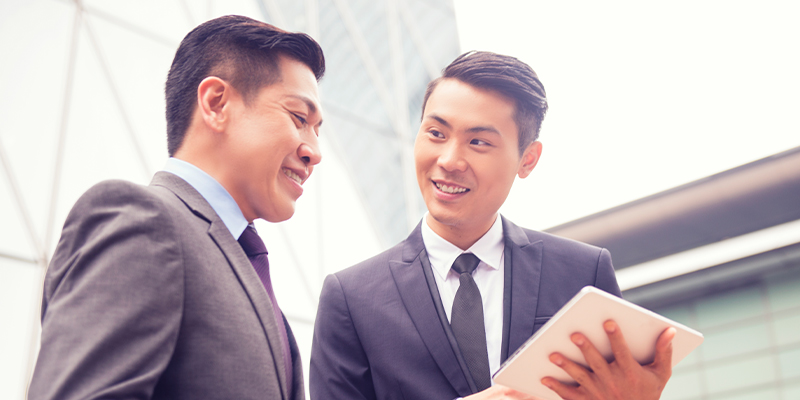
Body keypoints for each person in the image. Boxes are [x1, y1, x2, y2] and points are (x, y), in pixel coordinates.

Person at [309, 51, 675, 400]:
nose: (450, 160)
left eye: (478, 141)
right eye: (436, 133)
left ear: (527, 160)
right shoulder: (352, 298)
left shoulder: (583, 273)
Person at [28, 15, 324, 400]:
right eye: (299, 118)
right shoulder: (142, 222)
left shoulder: (244, 268)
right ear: (216, 103)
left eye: (318, 131)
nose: (314, 152)